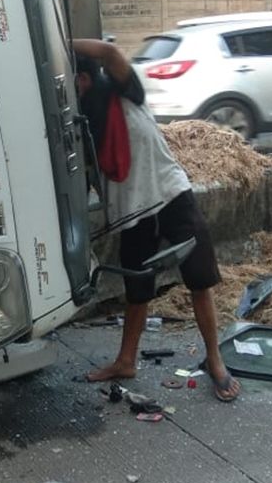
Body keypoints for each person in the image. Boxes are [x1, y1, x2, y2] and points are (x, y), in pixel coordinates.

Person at [73, 38, 241, 402]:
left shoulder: (124, 92)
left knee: (199, 280)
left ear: (85, 78)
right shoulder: (82, 119)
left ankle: (215, 360)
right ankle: (126, 360)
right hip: (130, 211)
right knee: (138, 291)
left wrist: (60, 42)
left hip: (169, 193)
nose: (74, 87)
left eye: (75, 78)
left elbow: (110, 52)